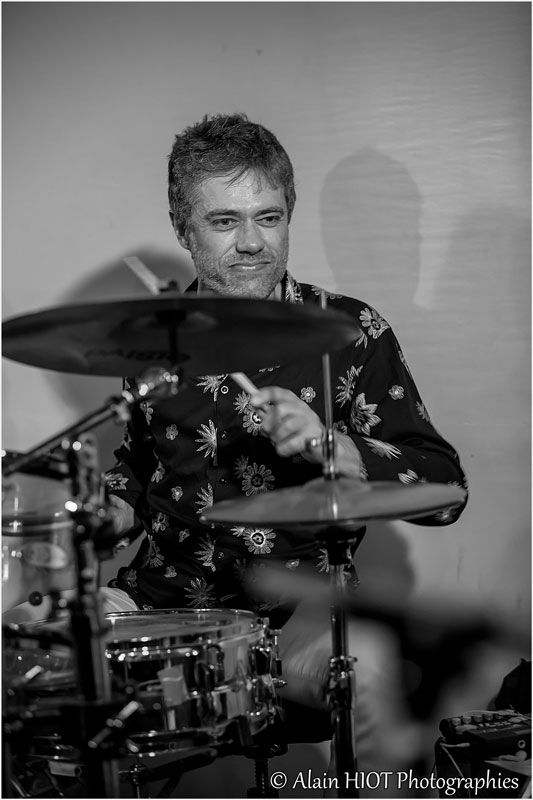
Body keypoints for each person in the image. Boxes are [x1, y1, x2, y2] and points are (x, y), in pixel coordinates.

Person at [3, 113, 468, 789]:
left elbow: (445, 491)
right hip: (163, 608)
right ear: (182, 229)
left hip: (301, 615)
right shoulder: (152, 344)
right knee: (27, 651)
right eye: (224, 221)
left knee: (371, 671)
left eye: (267, 218)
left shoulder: (349, 332)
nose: (251, 243)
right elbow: (138, 477)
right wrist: (97, 514)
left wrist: (331, 446)